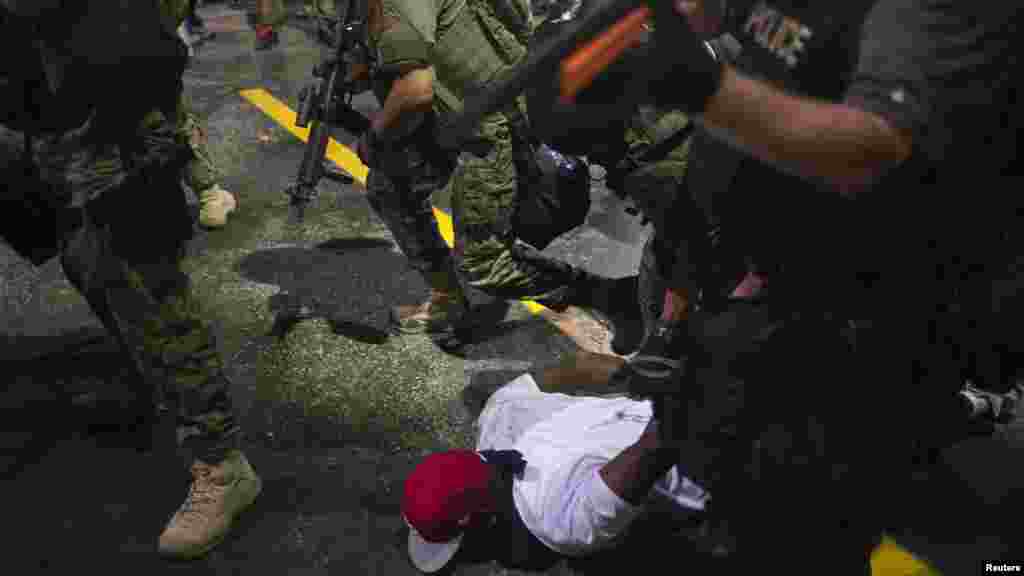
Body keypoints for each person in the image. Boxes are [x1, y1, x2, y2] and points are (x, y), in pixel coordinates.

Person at [554, 0, 1021, 572]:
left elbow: (875, 148)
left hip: (862, 300)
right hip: (750, 260)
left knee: (808, 504)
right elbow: (758, 37)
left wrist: (693, 85)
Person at [0, 0, 260, 560]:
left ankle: (221, 464)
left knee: (154, 301)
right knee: (98, 274)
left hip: (115, 140)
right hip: (62, 139)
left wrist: (123, 126)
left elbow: (151, 49)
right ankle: (162, 396)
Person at [354, 0, 643, 351]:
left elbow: (415, 89)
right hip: (473, 107)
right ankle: (448, 300)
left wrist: (374, 138)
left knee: (483, 265)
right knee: (391, 185)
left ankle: (610, 295)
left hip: (490, 125)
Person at [402, 353, 709, 573]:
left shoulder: (559, 523)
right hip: (670, 402)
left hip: (713, 463)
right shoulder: (500, 411)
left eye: (469, 550)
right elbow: (582, 366)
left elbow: (659, 443)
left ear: (481, 523)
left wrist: (698, 394)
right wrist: (637, 375)